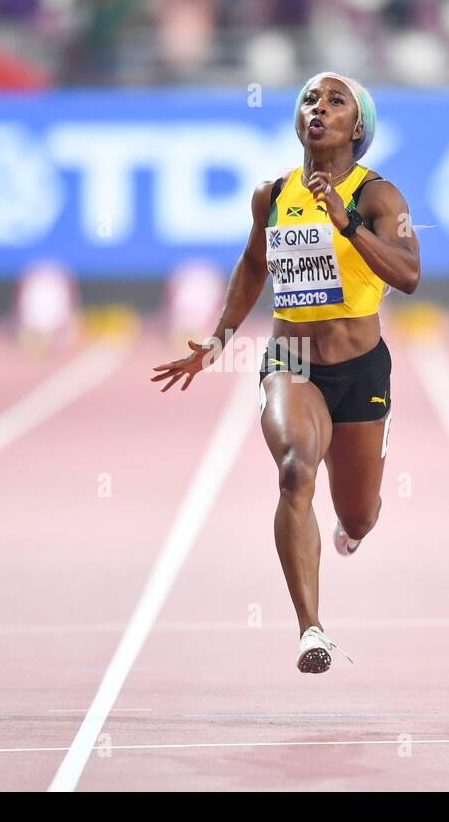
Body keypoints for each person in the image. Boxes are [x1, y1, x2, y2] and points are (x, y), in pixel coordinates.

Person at [152, 72, 420, 673]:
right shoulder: (271, 196)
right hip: (291, 360)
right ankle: (311, 629)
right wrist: (217, 341)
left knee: (357, 514)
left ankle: (354, 525)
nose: (317, 107)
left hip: (359, 370)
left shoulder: (379, 198)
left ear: (358, 127)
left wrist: (346, 224)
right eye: (308, 99)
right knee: (296, 471)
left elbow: (408, 275)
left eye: (334, 100)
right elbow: (252, 265)